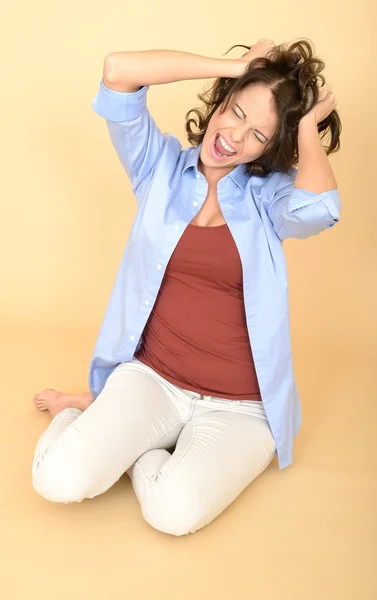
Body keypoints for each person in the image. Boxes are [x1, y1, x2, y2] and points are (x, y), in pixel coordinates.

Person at [31, 39, 342, 536]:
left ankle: (125, 432)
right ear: (221, 99)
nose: (234, 135)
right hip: (152, 379)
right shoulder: (159, 169)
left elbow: (320, 209)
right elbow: (118, 71)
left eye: (258, 133)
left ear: (271, 148)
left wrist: (306, 125)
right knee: (56, 479)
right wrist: (237, 66)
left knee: (172, 515)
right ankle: (92, 415)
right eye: (235, 110)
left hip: (241, 407)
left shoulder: (272, 197)